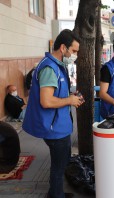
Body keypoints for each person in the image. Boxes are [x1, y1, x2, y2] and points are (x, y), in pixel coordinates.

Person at [22, 29, 83, 198]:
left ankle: (55, 192)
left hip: (59, 124)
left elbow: (56, 95)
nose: (75, 55)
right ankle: (56, 195)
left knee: (62, 163)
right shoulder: (50, 68)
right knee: (59, 166)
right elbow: (46, 101)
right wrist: (69, 101)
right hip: (54, 128)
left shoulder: (57, 65)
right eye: (74, 51)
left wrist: (71, 97)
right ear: (63, 48)